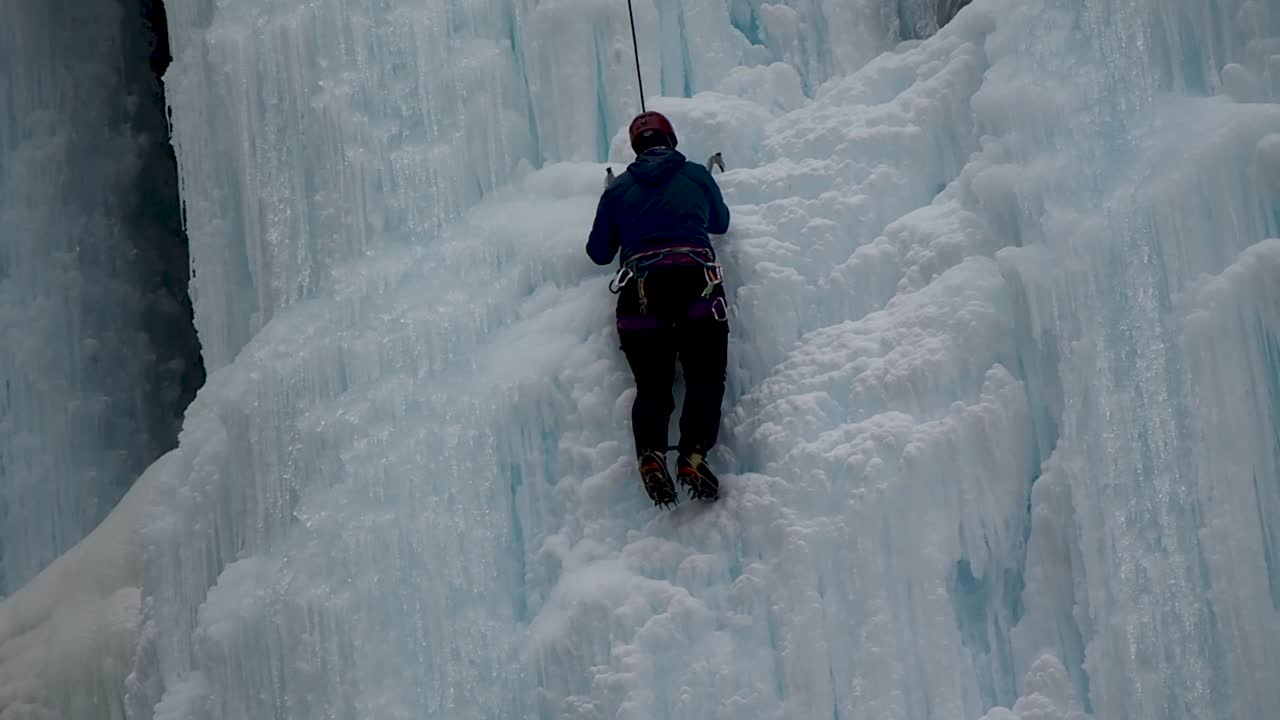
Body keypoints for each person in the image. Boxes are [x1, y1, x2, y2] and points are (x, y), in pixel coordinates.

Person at [586, 111, 731, 507]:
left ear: (636, 147)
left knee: (653, 386)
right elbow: (720, 222)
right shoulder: (696, 176)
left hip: (640, 296)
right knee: (704, 378)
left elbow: (599, 253)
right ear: (672, 141)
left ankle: (651, 455)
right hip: (696, 287)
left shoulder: (618, 191)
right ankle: (693, 455)